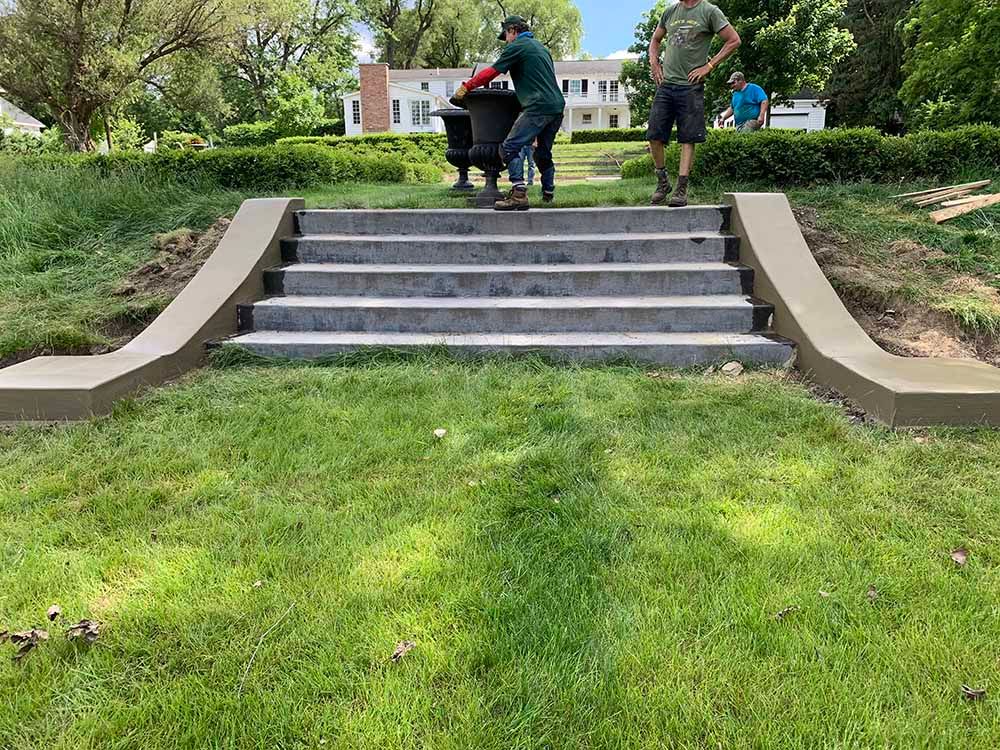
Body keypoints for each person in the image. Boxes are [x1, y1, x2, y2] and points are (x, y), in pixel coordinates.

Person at [450, 15, 565, 211]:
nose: (506, 40)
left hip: (537, 107)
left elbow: (492, 72)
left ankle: (519, 194)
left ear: (513, 30)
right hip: (556, 106)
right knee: (543, 153)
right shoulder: (542, 49)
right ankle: (548, 194)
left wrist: (467, 87)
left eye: (506, 36)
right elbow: (540, 81)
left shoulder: (518, 46)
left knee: (509, 147)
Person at [647, 0, 741, 207]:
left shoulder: (709, 11)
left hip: (690, 86)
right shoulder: (670, 11)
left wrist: (709, 65)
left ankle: (681, 189)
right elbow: (655, 40)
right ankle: (663, 183)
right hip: (666, 84)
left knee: (688, 138)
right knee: (654, 135)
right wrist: (654, 62)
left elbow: (734, 40)